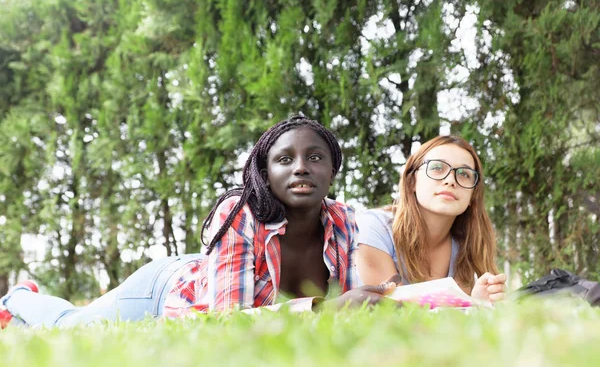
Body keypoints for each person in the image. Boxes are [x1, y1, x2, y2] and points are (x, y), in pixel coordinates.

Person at [0, 116, 395, 329]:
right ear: (265, 172)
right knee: (72, 325)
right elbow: (226, 320)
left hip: (211, 270)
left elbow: (345, 303)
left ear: (332, 169)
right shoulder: (240, 213)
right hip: (164, 289)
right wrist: (328, 311)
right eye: (285, 159)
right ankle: (17, 297)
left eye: (315, 157)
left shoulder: (344, 220)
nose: (301, 168)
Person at [355, 135, 506, 302]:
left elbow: (447, 323)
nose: (450, 180)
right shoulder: (375, 227)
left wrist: (479, 303)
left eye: (464, 174)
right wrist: (465, 303)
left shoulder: (466, 244)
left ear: (472, 196)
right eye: (436, 168)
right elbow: (389, 308)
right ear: (412, 181)